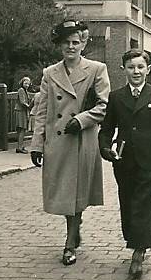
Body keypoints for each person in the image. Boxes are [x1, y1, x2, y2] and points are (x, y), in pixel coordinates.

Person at [30, 20, 111, 266]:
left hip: (81, 140)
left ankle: (69, 241)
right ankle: (74, 229)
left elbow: (104, 105)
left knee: (75, 192)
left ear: (84, 43)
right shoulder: (49, 73)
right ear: (59, 45)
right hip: (58, 142)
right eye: (66, 42)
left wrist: (82, 119)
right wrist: (36, 144)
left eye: (76, 42)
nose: (71, 47)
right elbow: (42, 110)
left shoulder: (96, 69)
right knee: (65, 193)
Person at [98, 49, 151, 280]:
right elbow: (107, 129)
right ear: (124, 70)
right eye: (131, 67)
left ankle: (139, 252)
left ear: (148, 70)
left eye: (140, 67)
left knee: (144, 203)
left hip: (149, 159)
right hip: (123, 160)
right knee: (128, 204)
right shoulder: (116, 97)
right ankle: (134, 238)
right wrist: (105, 148)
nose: (136, 71)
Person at [14, 76, 31, 153]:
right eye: (25, 83)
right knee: (22, 129)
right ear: (22, 83)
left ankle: (19, 146)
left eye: (28, 83)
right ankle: (19, 147)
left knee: (21, 129)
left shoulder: (25, 91)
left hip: (22, 111)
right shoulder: (21, 90)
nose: (27, 85)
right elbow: (22, 102)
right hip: (20, 111)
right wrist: (29, 106)